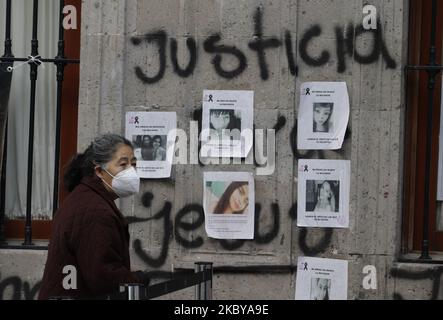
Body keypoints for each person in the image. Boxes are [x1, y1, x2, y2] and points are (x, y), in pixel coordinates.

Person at [38, 134, 149, 300]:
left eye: (133, 164)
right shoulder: (96, 211)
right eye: (123, 164)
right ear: (99, 171)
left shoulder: (85, 197)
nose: (131, 171)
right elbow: (103, 276)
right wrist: (137, 279)